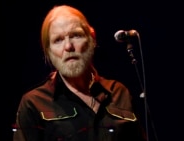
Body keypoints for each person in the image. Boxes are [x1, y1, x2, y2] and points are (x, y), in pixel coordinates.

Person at [13, 4, 146, 141]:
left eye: (76, 35)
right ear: (48, 51)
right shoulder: (33, 104)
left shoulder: (119, 93)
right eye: (58, 40)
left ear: (92, 39)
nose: (68, 46)